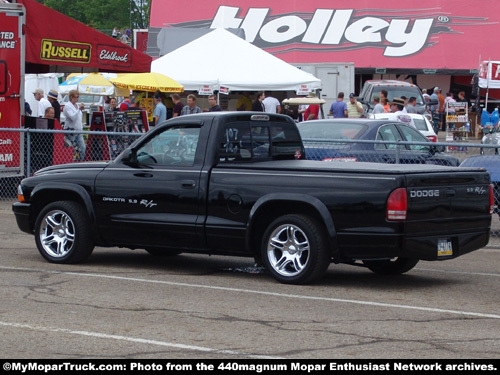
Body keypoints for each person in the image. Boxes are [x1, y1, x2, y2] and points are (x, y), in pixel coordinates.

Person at [62, 89, 86, 161]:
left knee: (82, 148)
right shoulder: (67, 106)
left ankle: (81, 161)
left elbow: (79, 118)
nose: (77, 98)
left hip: (78, 130)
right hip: (71, 131)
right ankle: (72, 161)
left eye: (78, 97)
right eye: (76, 97)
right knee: (72, 149)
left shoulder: (76, 106)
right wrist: (79, 110)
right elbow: (72, 118)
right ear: (71, 97)